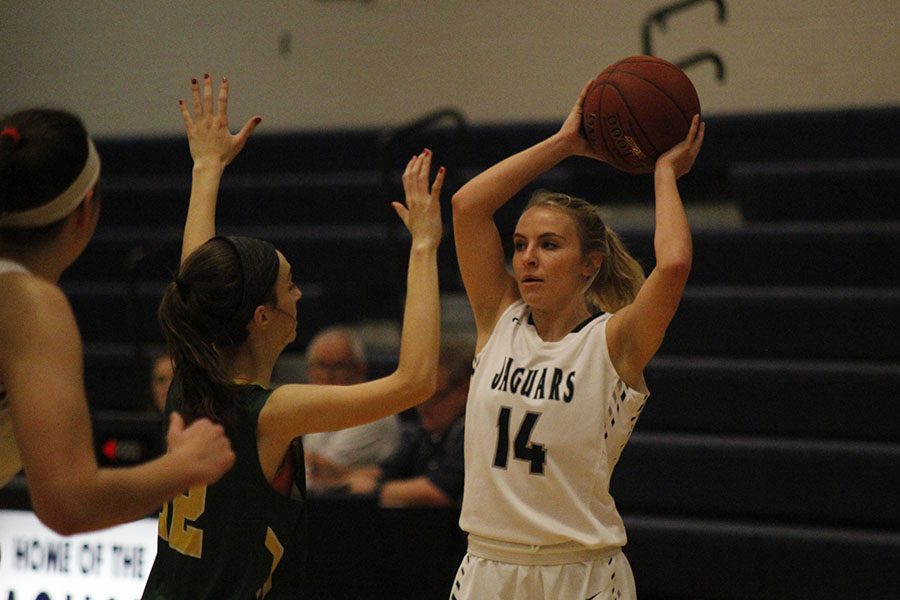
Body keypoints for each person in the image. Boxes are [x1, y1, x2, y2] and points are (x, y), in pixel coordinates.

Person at [141, 74, 443, 599]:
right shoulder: (271, 412)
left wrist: (207, 168)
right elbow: (415, 381)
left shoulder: (187, 378)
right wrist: (423, 246)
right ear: (261, 317)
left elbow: (198, 277)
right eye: (290, 285)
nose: (299, 296)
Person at [449, 82, 705, 599]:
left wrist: (663, 175)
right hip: (487, 566)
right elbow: (467, 206)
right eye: (520, 245)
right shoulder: (498, 320)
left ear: (590, 264)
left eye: (549, 245)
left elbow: (674, 264)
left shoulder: (613, 342)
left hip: (579, 573)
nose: (527, 258)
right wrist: (564, 142)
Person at [0, 108, 235, 535]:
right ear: (86, 209)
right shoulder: (29, 304)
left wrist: (206, 168)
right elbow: (69, 503)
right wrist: (185, 466)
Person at [339, 339, 471, 507]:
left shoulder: (470, 434)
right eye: (419, 397)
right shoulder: (425, 435)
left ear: (464, 391)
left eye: (433, 397)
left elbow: (439, 491)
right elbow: (384, 472)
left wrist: (377, 489)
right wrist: (338, 475)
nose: (422, 407)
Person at [302, 326, 401, 485]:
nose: (328, 375)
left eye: (340, 366)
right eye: (321, 365)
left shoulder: (376, 411)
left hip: (357, 506)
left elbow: (315, 476)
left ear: (360, 370)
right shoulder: (318, 409)